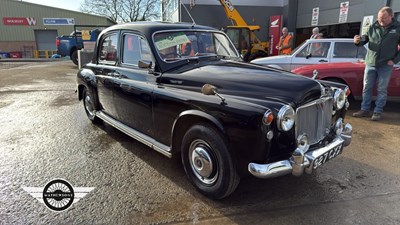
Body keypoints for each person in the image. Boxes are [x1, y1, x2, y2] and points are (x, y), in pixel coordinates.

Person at [352, 6, 400, 121]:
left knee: (382, 89)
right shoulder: (374, 26)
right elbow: (366, 38)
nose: (380, 20)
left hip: (385, 65)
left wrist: (394, 60)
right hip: (371, 62)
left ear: (391, 16)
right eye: (379, 18)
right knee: (367, 88)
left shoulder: (398, 28)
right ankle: (364, 109)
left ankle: (378, 112)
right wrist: (358, 40)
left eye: (383, 18)